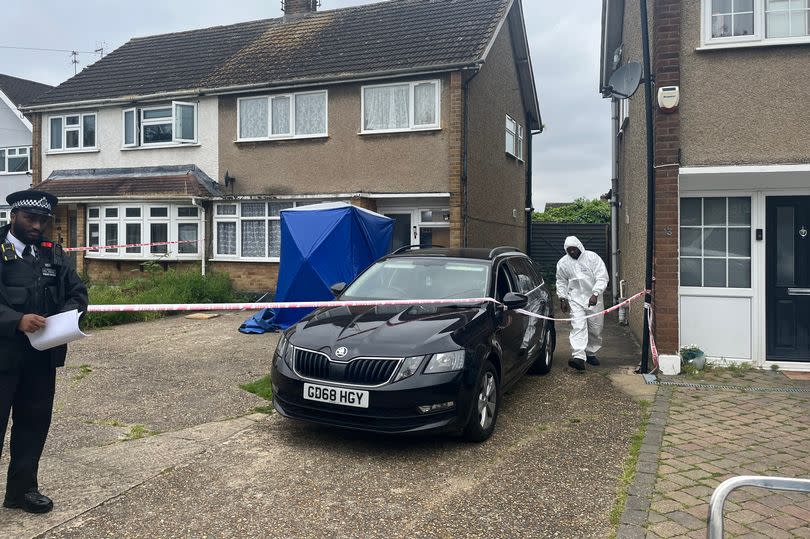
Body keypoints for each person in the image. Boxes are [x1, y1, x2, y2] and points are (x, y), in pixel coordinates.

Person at [0, 190, 88, 514]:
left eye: (42, 220)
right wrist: (17, 320)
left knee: (33, 424)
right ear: (13, 216)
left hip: (40, 357)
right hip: (3, 356)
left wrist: (67, 317)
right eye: (30, 219)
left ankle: (22, 491)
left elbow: (77, 293)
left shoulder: (53, 253)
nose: (37, 225)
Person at [555, 236, 608, 371]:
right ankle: (578, 357)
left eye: (574, 249)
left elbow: (602, 276)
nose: (572, 252)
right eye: (569, 250)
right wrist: (562, 298)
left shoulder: (592, 258)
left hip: (593, 299)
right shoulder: (563, 263)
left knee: (595, 328)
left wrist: (596, 293)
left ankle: (591, 353)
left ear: (580, 247)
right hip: (575, 299)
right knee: (578, 326)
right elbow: (561, 281)